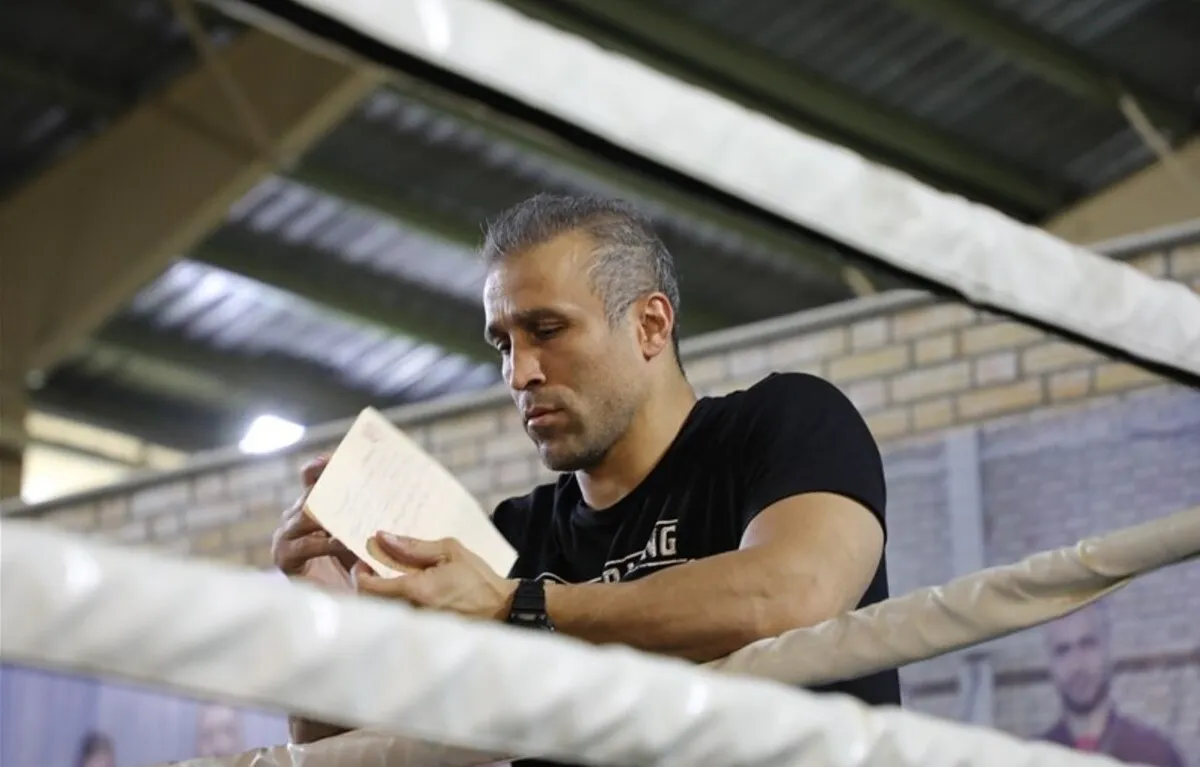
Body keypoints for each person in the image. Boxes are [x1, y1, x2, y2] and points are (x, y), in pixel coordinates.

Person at [272, 194, 899, 765]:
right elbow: (336, 749)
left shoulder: (783, 423)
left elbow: (791, 594)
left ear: (651, 325)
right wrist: (326, 610)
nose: (519, 374)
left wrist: (517, 606)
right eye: (503, 345)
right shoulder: (509, 542)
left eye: (546, 332)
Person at [1037, 602, 1185, 766]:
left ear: (1108, 649)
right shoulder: (1035, 760)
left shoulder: (1155, 755)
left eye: (1088, 644)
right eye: (1063, 650)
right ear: (1049, 662)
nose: (1077, 665)